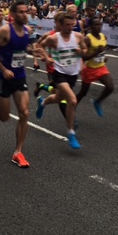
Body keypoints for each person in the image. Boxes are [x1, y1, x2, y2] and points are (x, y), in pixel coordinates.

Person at [0, 2, 35, 168]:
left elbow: (24, 49)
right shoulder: (5, 31)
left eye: (26, 12)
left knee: (24, 113)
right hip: (4, 78)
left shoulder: (27, 31)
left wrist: (35, 52)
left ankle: (18, 152)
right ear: (13, 14)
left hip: (19, 77)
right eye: (21, 12)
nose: (25, 15)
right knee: (4, 117)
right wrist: (2, 68)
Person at [35, 12, 87, 149]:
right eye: (67, 25)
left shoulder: (78, 36)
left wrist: (81, 51)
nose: (70, 27)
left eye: (72, 24)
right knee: (72, 100)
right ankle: (71, 133)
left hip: (72, 74)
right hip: (59, 73)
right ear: (61, 25)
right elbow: (39, 46)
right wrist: (46, 58)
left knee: (58, 98)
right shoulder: (54, 38)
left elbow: (85, 49)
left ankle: (43, 102)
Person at [75, 17, 114, 117]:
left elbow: (102, 51)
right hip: (89, 69)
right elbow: (83, 56)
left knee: (110, 87)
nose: (99, 26)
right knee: (83, 92)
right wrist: (96, 52)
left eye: (100, 24)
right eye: (96, 25)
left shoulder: (103, 36)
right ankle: (72, 107)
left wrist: (103, 58)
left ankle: (97, 102)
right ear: (91, 26)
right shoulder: (88, 39)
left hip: (101, 67)